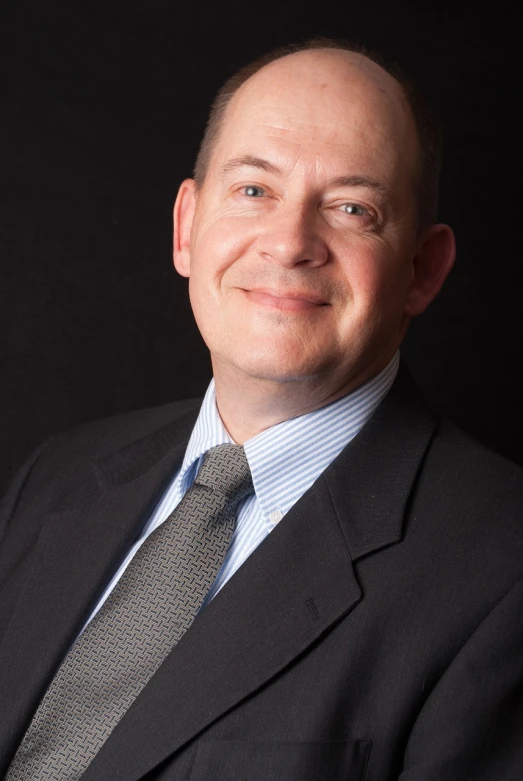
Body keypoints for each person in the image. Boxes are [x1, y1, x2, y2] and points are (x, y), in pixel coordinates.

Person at [1, 38, 522, 781]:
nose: (289, 242)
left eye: (352, 207)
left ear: (421, 270)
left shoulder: (503, 576)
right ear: (187, 225)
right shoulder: (55, 476)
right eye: (254, 190)